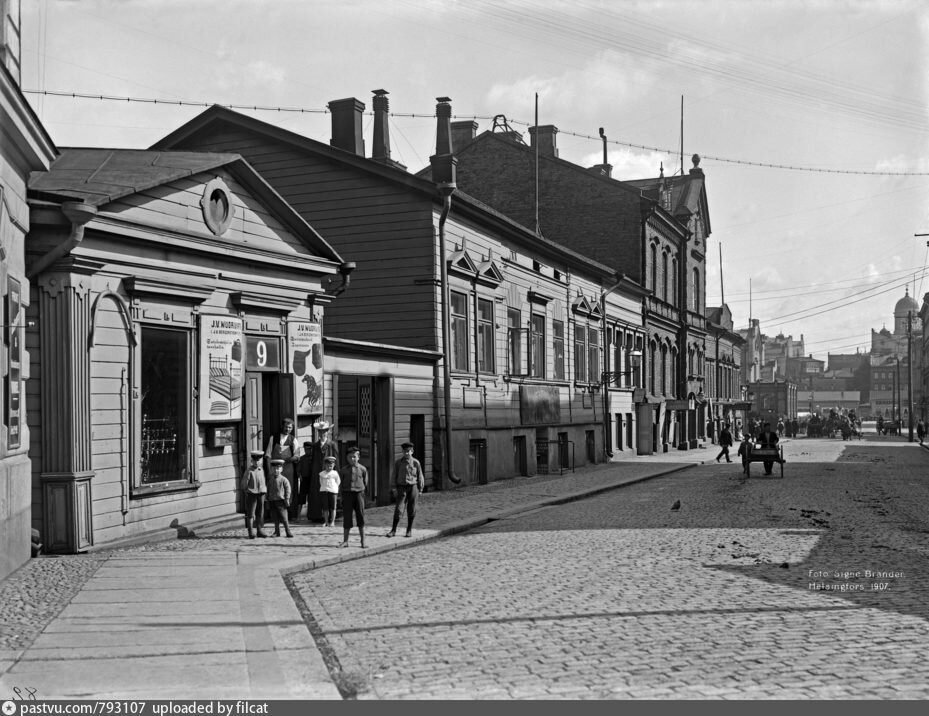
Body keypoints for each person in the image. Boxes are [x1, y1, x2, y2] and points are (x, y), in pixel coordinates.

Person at [301, 420, 339, 523]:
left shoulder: (332, 444)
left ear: (328, 432)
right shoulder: (315, 446)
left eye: (325, 431)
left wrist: (337, 474)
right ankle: (317, 515)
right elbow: (312, 460)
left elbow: (337, 459)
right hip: (317, 473)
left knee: (329, 493)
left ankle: (331, 517)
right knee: (317, 493)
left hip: (330, 472)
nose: (323, 433)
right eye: (320, 431)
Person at [265, 418, 302, 521]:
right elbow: (268, 455)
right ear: (282, 426)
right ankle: (275, 515)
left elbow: (297, 456)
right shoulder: (273, 438)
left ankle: (288, 514)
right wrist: (269, 471)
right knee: (275, 490)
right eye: (286, 427)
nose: (288, 429)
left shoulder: (293, 440)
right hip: (275, 470)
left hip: (288, 470)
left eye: (290, 427)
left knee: (287, 490)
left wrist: (289, 459)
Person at [387, 441, 425, 538]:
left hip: (413, 487)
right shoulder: (398, 463)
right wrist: (394, 488)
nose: (407, 453)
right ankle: (393, 530)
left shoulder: (416, 463)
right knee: (399, 508)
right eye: (405, 451)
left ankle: (409, 530)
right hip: (402, 488)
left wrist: (420, 489)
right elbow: (394, 475)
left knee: (412, 509)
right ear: (402, 452)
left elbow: (420, 476)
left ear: (412, 451)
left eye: (408, 451)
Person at [339, 446, 368, 548]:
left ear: (358, 457)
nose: (352, 459)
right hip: (347, 495)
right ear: (347, 458)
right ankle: (345, 541)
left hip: (359, 494)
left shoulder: (363, 469)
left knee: (360, 516)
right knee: (347, 517)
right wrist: (341, 497)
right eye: (350, 457)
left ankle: (363, 541)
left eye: (354, 457)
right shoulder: (343, 470)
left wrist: (362, 494)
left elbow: (365, 482)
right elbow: (341, 484)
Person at [240, 450, 268, 539]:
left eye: (259, 460)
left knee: (260, 512)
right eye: (255, 460)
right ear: (252, 461)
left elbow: (263, 481)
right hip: (252, 494)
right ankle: (251, 531)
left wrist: (264, 491)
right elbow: (244, 483)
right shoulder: (249, 471)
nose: (257, 462)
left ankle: (259, 530)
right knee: (251, 513)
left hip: (261, 493)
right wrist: (247, 491)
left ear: (261, 461)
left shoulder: (261, 470)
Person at [266, 458, 294, 538]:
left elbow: (288, 489)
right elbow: (268, 489)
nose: (276, 470)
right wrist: (267, 498)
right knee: (275, 518)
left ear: (281, 469)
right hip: (272, 501)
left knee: (284, 517)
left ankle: (288, 531)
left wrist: (287, 498)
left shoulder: (283, 479)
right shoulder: (270, 479)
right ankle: (276, 531)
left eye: (278, 469)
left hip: (281, 501)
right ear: (271, 469)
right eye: (274, 468)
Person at [319, 455, 341, 527]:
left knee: (333, 507)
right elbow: (321, 482)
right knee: (325, 508)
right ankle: (326, 521)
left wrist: (334, 488)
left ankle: (332, 521)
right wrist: (325, 488)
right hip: (324, 491)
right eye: (328, 466)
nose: (329, 468)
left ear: (333, 465)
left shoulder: (335, 473)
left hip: (333, 491)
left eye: (331, 466)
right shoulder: (322, 474)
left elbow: (338, 482)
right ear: (325, 465)